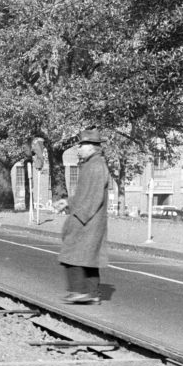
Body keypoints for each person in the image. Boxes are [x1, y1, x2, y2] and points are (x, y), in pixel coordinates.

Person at [55, 129, 110, 304]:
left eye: (82, 145)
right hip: (91, 219)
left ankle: (78, 291)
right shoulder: (93, 164)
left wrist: (78, 216)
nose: (79, 148)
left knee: (72, 252)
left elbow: (93, 196)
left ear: (93, 147)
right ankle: (92, 293)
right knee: (89, 257)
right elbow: (85, 193)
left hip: (87, 220)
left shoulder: (94, 166)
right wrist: (68, 202)